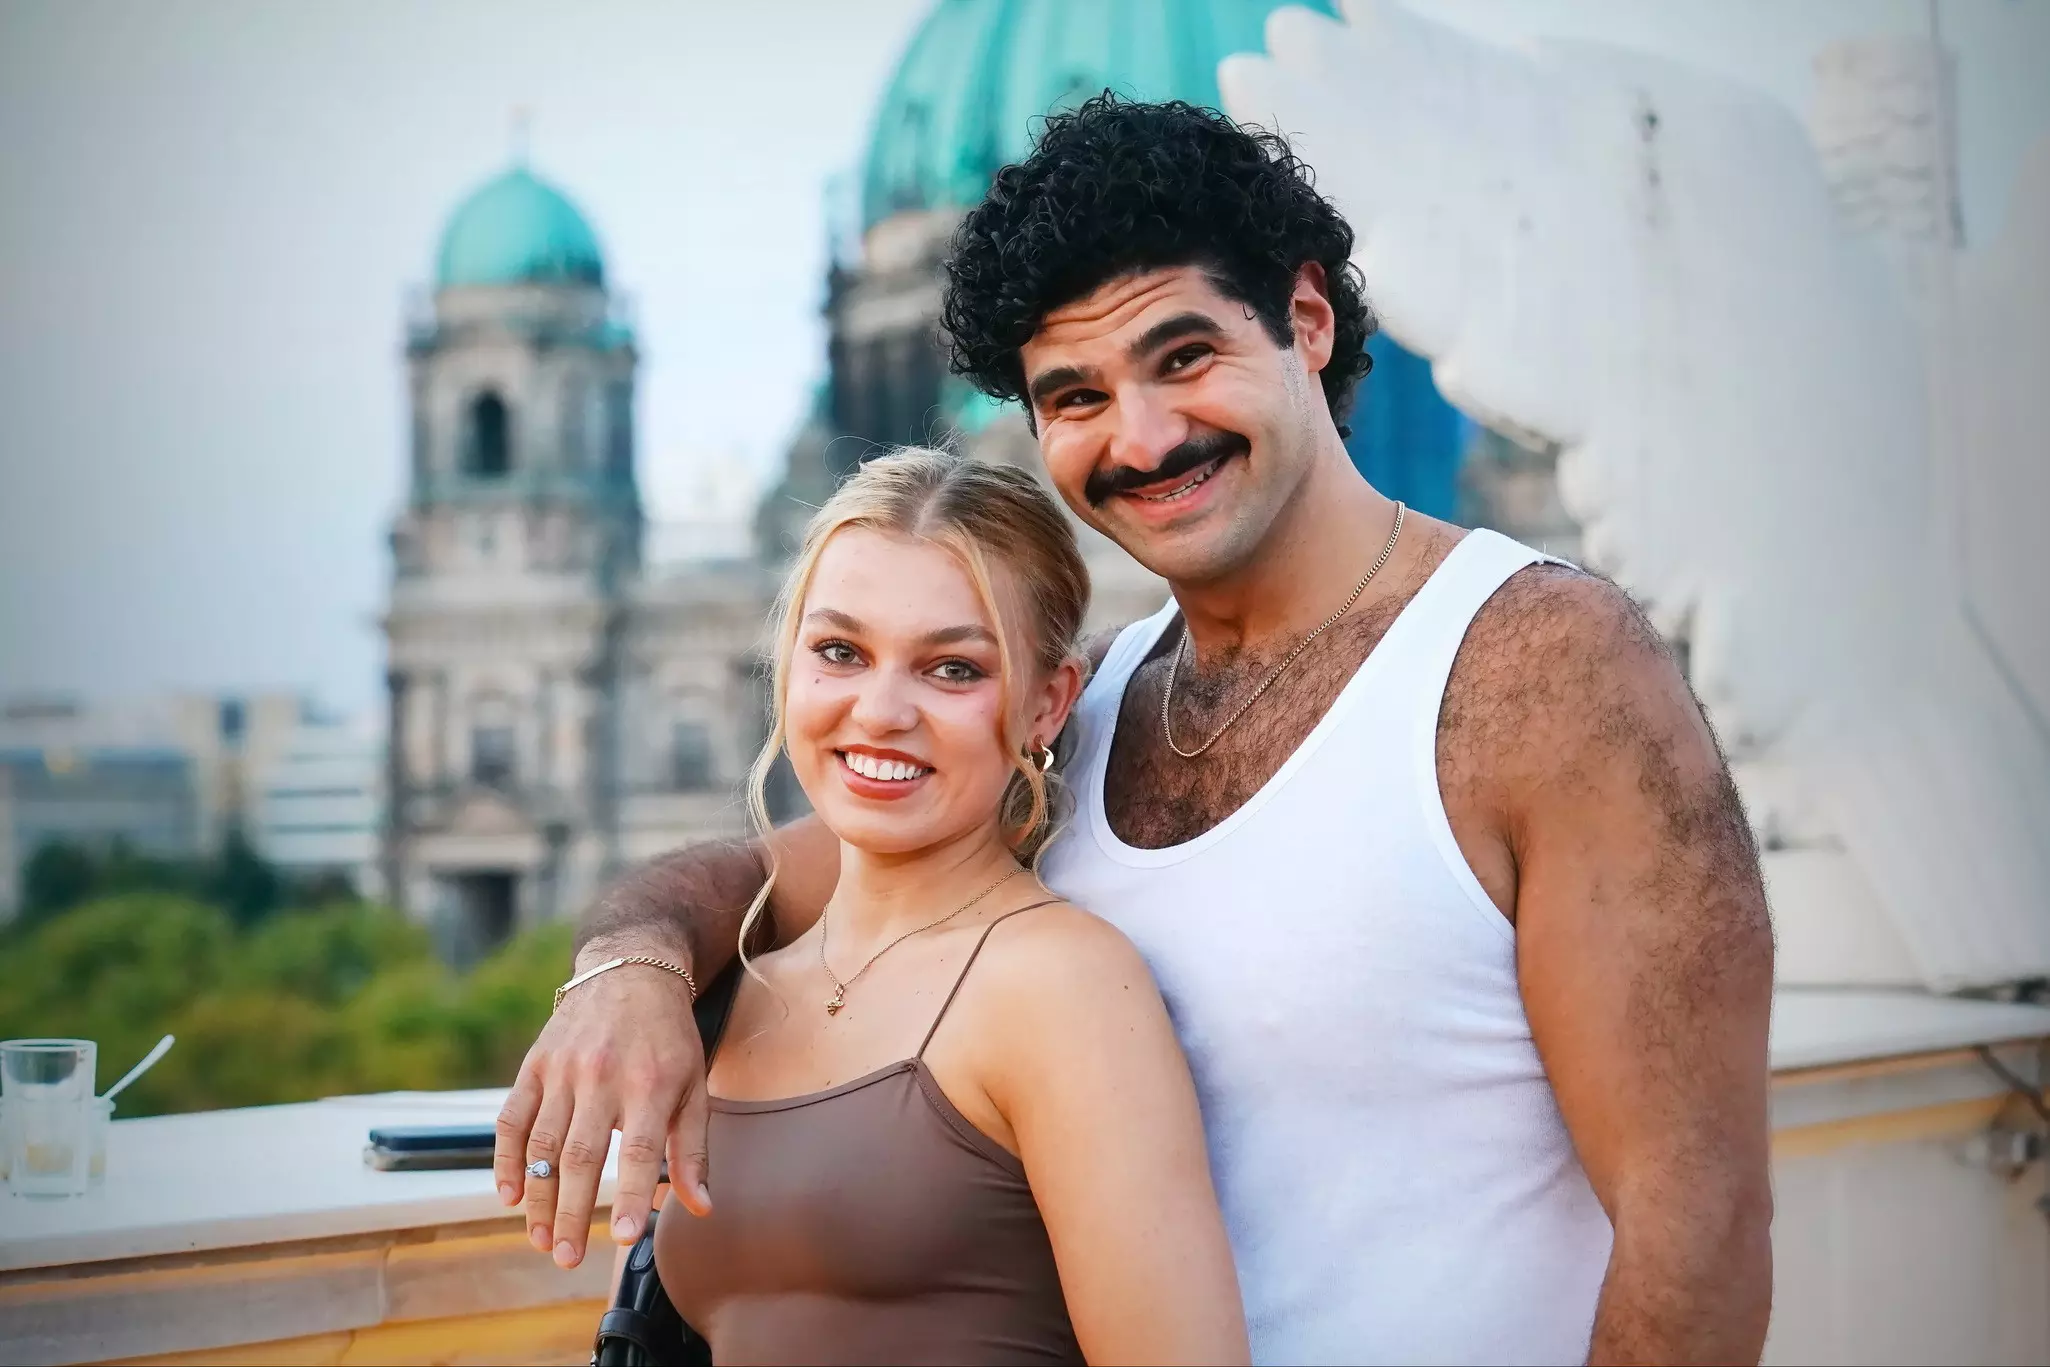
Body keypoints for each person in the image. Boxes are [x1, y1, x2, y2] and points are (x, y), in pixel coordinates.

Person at [501, 96, 1775, 1365]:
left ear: (1308, 324)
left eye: (1183, 356)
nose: (1144, 436)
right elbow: (759, 873)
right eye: (1076, 394)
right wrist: (632, 969)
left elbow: (1698, 1218)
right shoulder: (1091, 703)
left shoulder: (1540, 664)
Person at [642, 448, 1246, 1363]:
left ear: (1047, 705)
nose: (880, 710)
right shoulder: (741, 981)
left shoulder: (1062, 987)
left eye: (952, 669)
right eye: (840, 651)